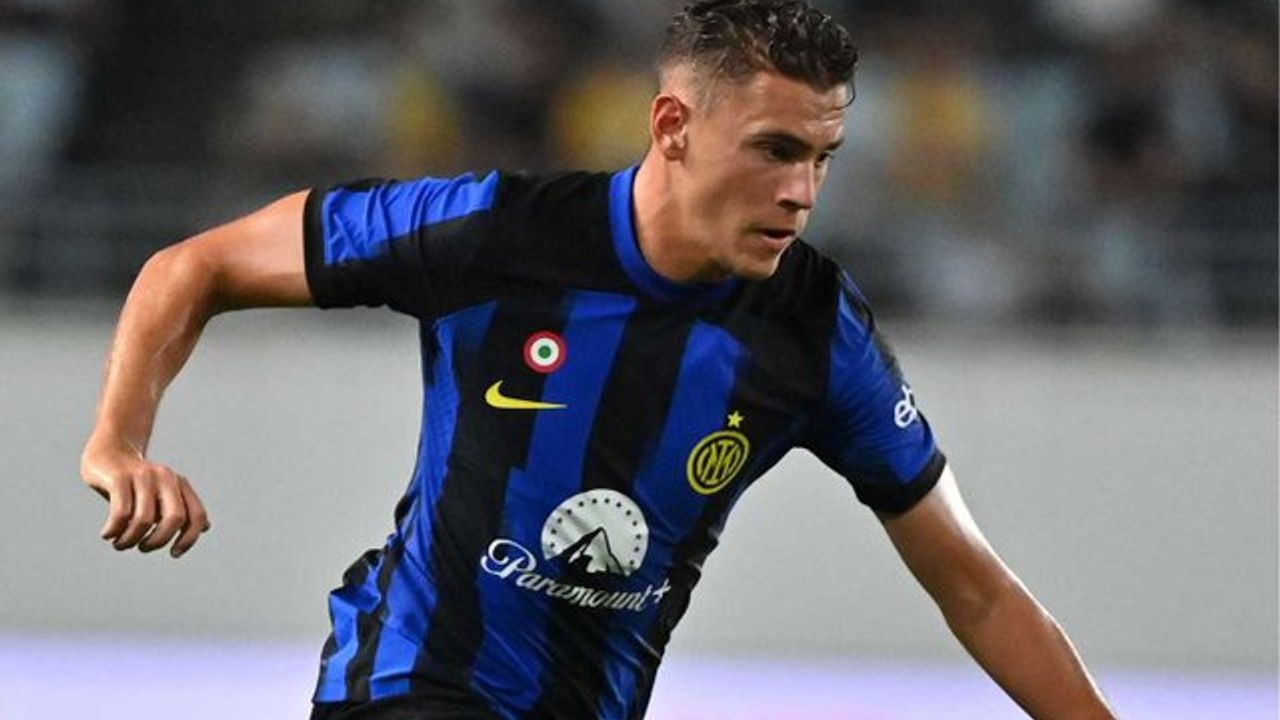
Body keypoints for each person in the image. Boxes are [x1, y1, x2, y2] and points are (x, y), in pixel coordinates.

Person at [79, 2, 1118, 718]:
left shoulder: (814, 329)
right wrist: (119, 441)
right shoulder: (494, 231)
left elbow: (974, 588)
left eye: (819, 158)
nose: (801, 192)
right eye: (773, 150)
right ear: (672, 126)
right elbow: (195, 266)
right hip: (408, 685)